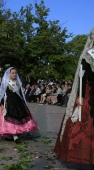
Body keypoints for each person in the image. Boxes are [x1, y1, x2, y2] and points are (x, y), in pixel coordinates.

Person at [54, 28, 94, 165]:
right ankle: (84, 156)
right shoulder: (88, 55)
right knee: (84, 124)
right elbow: (83, 76)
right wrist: (81, 96)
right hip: (90, 93)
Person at [0, 67, 38, 143]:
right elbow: (2, 95)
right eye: (12, 73)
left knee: (19, 118)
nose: (14, 74)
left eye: (15, 73)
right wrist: (2, 104)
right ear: (9, 74)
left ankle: (14, 134)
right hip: (9, 103)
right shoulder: (6, 83)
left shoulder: (18, 83)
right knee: (11, 118)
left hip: (18, 103)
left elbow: (21, 94)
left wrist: (24, 103)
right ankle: (15, 136)